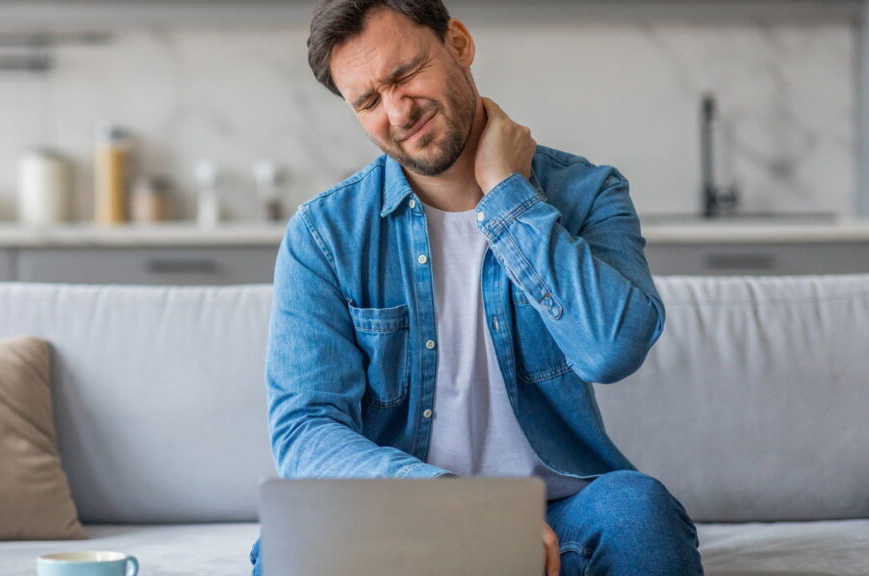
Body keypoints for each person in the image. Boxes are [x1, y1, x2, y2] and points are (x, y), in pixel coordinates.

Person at [252, 1, 703, 574]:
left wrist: (507, 197)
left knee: (640, 512)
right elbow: (306, 429)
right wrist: (445, 500)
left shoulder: (588, 194)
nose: (397, 111)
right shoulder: (324, 236)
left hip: (558, 520)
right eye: (368, 101)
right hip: (404, 512)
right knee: (288, 548)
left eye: (404, 75)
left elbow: (610, 350)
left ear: (458, 43)